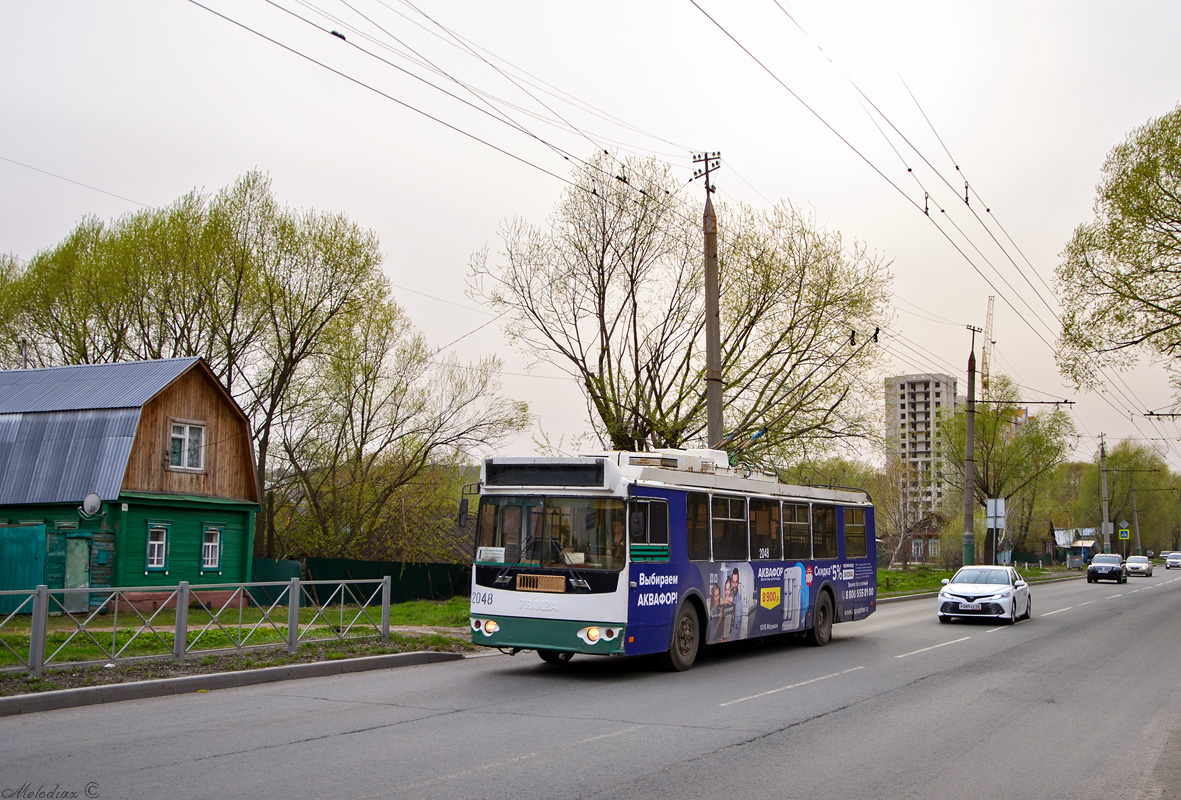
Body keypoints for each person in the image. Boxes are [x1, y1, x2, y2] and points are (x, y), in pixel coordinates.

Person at [730, 567, 744, 639]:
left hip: (734, 639)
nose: (735, 585)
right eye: (733, 582)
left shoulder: (739, 603)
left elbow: (736, 626)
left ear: (738, 582)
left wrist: (727, 639)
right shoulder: (731, 597)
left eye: (736, 582)